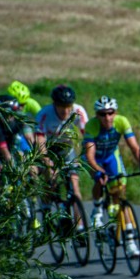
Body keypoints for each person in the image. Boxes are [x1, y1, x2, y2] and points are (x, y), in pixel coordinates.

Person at [83, 96, 140, 257]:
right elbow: (89, 155)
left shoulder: (122, 122)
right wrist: (99, 171)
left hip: (110, 156)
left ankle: (129, 242)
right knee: (98, 178)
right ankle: (97, 209)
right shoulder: (92, 125)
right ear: (97, 115)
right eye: (102, 114)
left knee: (120, 194)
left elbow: (134, 148)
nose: (107, 118)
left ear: (115, 113)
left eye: (110, 113)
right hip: (94, 158)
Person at [35, 85, 89, 232]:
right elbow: (40, 142)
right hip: (48, 149)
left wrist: (83, 157)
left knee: (75, 187)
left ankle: (79, 227)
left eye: (68, 106)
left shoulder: (78, 111)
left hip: (67, 149)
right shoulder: (44, 114)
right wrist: (47, 163)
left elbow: (88, 137)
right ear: (54, 104)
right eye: (61, 107)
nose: (66, 111)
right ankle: (46, 211)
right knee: (49, 178)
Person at [0, 94, 34, 171]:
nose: (10, 116)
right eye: (6, 114)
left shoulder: (21, 119)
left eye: (13, 113)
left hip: (12, 144)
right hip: (1, 148)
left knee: (31, 166)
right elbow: (4, 151)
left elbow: (29, 137)